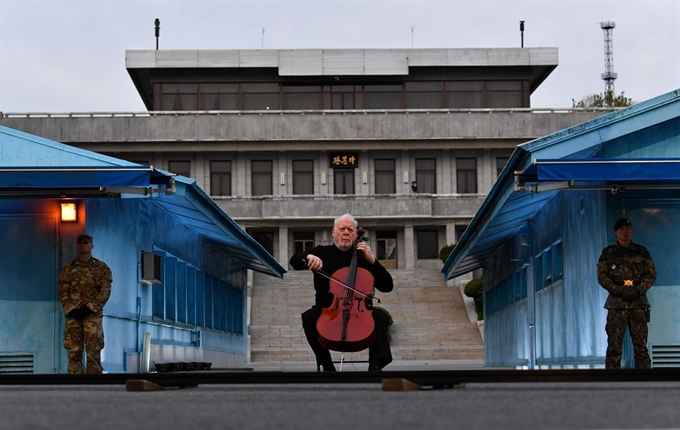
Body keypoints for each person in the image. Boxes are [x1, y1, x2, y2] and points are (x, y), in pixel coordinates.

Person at [290, 214, 394, 372]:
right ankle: (327, 365)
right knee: (309, 317)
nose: (346, 232)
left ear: (355, 234)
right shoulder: (322, 252)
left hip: (359, 312)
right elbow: (295, 260)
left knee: (380, 317)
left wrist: (373, 261)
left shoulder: (363, 257)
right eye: (342, 229)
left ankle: (375, 366)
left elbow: (387, 286)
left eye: (350, 230)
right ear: (333, 232)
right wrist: (308, 257)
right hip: (328, 311)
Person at [597, 218, 656, 369]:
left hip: (638, 303)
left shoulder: (641, 252)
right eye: (622, 229)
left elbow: (651, 274)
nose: (625, 232)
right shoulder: (609, 254)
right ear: (616, 232)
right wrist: (619, 290)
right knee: (614, 347)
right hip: (617, 304)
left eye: (628, 228)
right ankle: (613, 382)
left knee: (641, 346)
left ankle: (645, 381)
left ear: (631, 231)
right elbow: (602, 277)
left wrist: (638, 289)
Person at [58, 234, 113, 374]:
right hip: (73, 317)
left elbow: (104, 292)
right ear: (77, 246)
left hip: (92, 317)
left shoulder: (101, 268)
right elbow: (63, 291)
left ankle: (93, 385)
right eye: (80, 243)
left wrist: (89, 308)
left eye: (86, 243)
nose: (83, 245)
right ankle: (74, 385)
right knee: (73, 353)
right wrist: (71, 310)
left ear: (91, 246)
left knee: (93, 353)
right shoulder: (68, 269)